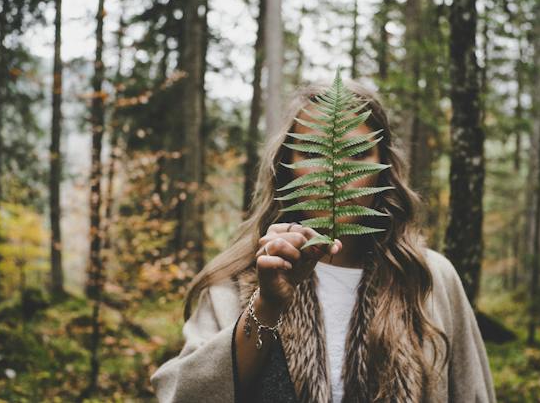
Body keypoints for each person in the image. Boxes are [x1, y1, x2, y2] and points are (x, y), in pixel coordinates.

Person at [150, 78, 496, 403]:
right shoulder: (238, 277)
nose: (338, 172)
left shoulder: (430, 278)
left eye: (358, 153)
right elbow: (184, 395)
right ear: (287, 166)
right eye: (315, 153)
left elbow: (474, 394)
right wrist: (266, 304)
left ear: (383, 168)